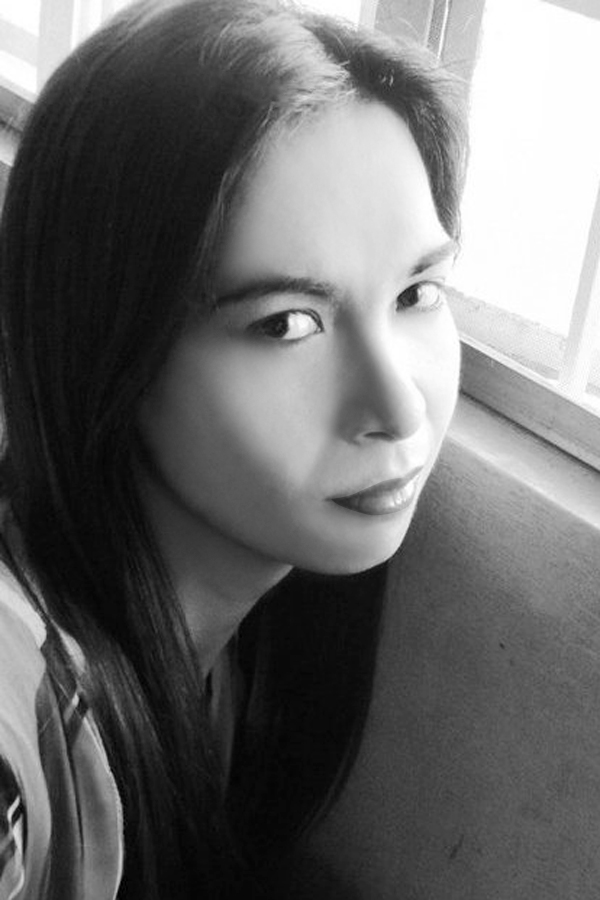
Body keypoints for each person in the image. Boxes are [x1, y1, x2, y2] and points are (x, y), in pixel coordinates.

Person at [0, 0, 467, 897]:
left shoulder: (246, 656)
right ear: (108, 346)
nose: (398, 405)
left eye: (417, 293)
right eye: (287, 323)